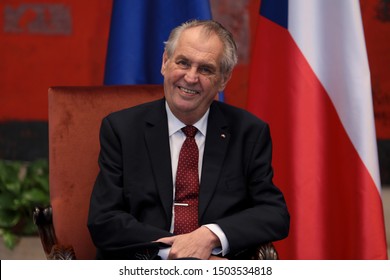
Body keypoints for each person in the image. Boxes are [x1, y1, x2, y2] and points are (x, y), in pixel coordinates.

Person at [87, 19, 289, 260]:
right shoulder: (122, 129)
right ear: (165, 63)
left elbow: (273, 213)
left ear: (223, 80)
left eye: (205, 69)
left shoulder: (249, 133)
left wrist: (209, 236)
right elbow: (104, 220)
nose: (191, 78)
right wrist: (182, 254)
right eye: (183, 63)